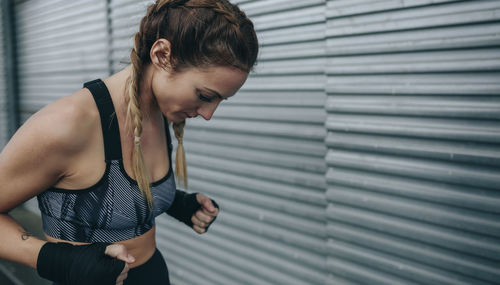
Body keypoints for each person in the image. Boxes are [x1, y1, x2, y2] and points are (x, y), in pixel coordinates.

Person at [0, 0, 258, 284]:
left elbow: (118, 196)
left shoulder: (159, 112)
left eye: (221, 100)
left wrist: (178, 203)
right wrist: (60, 261)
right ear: (161, 55)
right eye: (205, 96)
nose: (209, 114)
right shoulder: (66, 124)